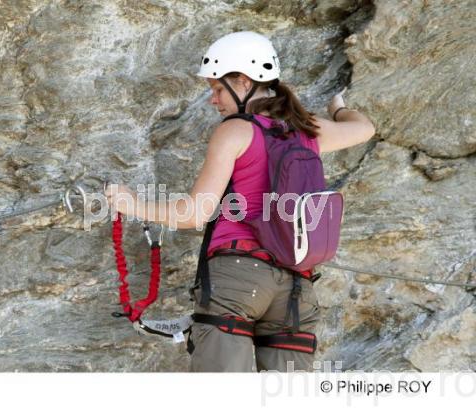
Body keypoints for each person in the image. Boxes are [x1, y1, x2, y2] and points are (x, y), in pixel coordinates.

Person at [104, 31, 376, 372]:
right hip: (296, 288)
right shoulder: (306, 131)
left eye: (217, 89)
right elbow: (364, 128)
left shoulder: (234, 131)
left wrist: (133, 204)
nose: (213, 101)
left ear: (243, 82)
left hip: (237, 278)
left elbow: (194, 213)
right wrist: (339, 108)